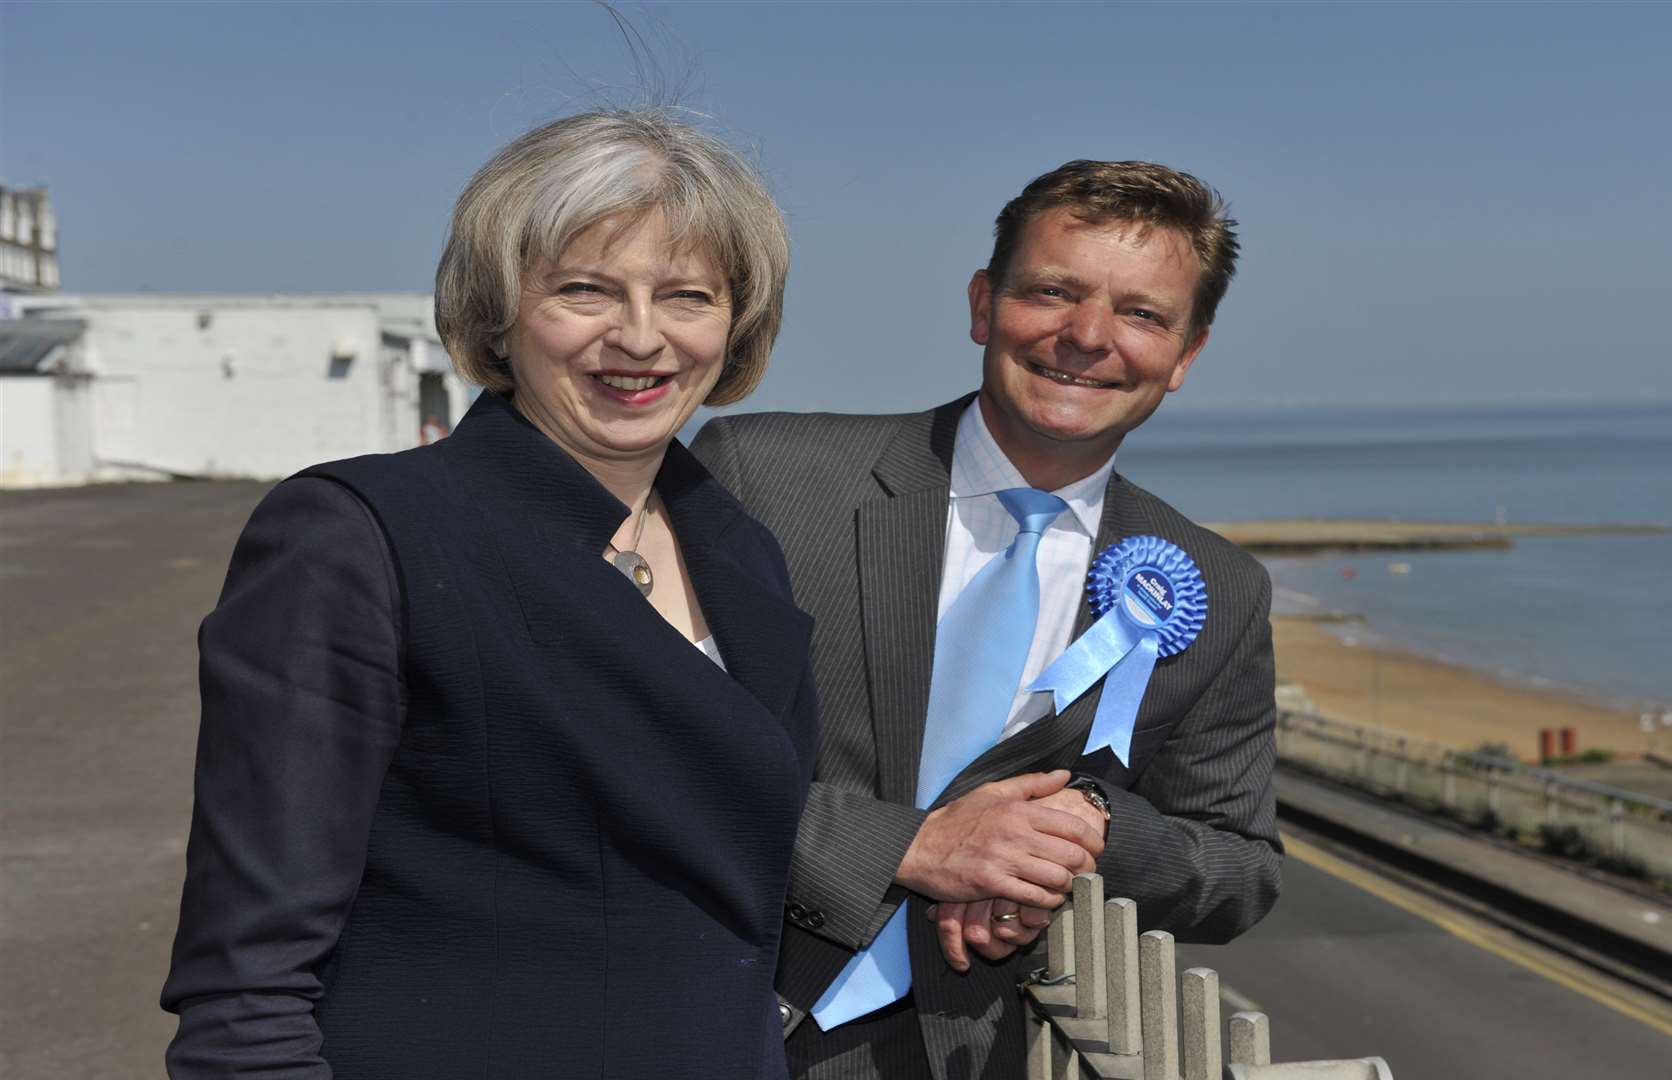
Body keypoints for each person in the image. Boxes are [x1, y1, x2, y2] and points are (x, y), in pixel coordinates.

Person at [160, 110, 815, 1078]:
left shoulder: (741, 549)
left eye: (687, 295)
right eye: (585, 290)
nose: (641, 337)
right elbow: (246, 980)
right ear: (498, 311)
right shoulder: (359, 534)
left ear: (738, 322)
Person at [693, 159, 1284, 1079]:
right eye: (1054, 291)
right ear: (983, 304)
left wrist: (1083, 832)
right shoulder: (763, 477)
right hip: (705, 1016)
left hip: (978, 1054)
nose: (1088, 337)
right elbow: (635, 750)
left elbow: (1239, 872)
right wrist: (914, 847)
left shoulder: (1217, 587)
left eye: (1141, 314)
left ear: (1185, 356)